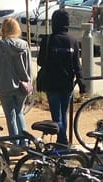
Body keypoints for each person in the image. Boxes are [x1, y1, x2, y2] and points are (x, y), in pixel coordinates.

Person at [36, 8, 85, 146]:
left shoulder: (47, 40)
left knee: (56, 115)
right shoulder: (73, 42)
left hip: (52, 84)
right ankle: (62, 140)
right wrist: (82, 85)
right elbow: (77, 65)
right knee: (63, 114)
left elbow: (40, 62)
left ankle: (62, 141)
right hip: (67, 84)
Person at [0, 17, 33, 141]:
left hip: (5, 85)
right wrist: (30, 83)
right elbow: (29, 67)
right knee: (19, 113)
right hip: (23, 85)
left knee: (10, 116)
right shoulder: (24, 45)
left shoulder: (0, 46)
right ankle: (24, 141)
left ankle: (15, 143)